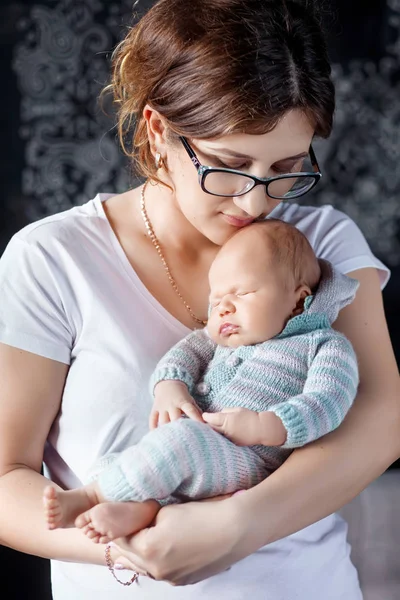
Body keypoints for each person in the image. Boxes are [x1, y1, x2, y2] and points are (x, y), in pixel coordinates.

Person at [0, 0, 399, 598]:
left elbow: (381, 417)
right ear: (158, 131)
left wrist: (239, 526)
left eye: (287, 168)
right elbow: (5, 478)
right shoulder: (54, 258)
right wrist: (142, 543)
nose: (257, 202)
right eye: (229, 166)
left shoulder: (320, 245)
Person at [42, 219, 360, 544]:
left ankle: (92, 497)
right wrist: (170, 386)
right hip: (196, 450)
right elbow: (185, 353)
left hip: (249, 461)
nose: (223, 308)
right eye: (217, 299)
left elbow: (328, 401)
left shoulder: (323, 345)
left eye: (242, 293)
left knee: (181, 443)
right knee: (117, 460)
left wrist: (267, 426)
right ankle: (141, 510)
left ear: (297, 301)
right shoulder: (217, 339)